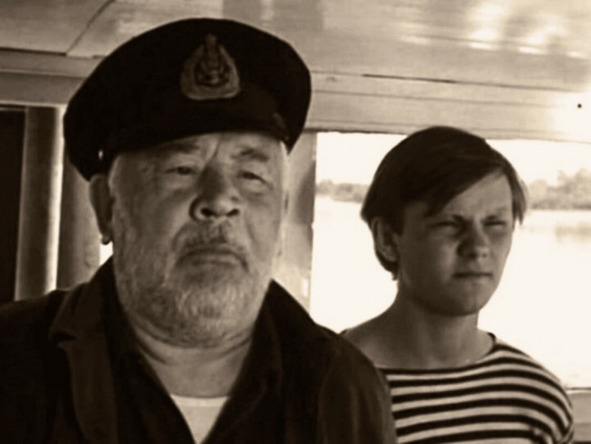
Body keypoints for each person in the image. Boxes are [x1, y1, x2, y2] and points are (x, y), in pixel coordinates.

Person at [0, 19, 396, 443]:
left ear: (281, 213)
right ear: (107, 206)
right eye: (182, 169)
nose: (221, 200)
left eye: (251, 176)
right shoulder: (12, 363)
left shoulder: (343, 386)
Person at [343, 126, 574, 443]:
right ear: (387, 239)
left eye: (495, 224)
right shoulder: (327, 386)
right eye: (450, 223)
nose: (478, 247)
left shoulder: (538, 400)